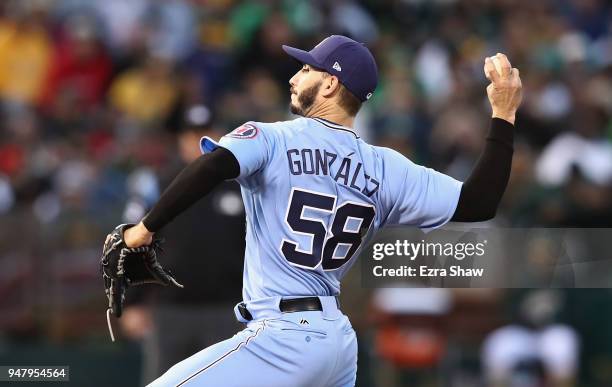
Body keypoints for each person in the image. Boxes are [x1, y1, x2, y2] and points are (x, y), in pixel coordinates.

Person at [120, 35, 522, 386]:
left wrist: (144, 229)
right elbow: (479, 202)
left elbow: (214, 164)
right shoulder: (388, 167)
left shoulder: (274, 137)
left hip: (282, 335)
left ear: (330, 83)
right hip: (336, 340)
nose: (294, 78)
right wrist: (503, 116)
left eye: (306, 69)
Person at [118, 104, 245, 385]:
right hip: (170, 309)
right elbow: (132, 241)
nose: (197, 141)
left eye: (205, 132)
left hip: (228, 309)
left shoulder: (240, 184)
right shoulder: (158, 182)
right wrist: (134, 303)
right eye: (192, 134)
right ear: (180, 139)